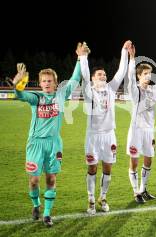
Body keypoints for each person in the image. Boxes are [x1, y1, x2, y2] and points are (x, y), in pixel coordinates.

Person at [12, 43, 85, 227]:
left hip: (54, 143)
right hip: (35, 143)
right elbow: (21, 95)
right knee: (35, 180)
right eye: (43, 81)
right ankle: (36, 204)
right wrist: (17, 85)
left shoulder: (61, 95)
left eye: (49, 81)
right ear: (40, 83)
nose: (46, 84)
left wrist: (79, 58)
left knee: (51, 178)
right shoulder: (36, 98)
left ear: (55, 82)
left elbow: (75, 79)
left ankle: (46, 214)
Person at [80, 40, 130, 214]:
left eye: (104, 74)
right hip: (93, 136)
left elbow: (121, 71)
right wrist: (83, 57)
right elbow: (85, 75)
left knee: (108, 168)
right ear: (94, 78)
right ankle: (91, 199)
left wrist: (124, 51)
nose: (103, 76)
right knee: (92, 168)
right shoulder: (89, 91)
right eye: (100, 74)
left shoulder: (110, 89)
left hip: (109, 135)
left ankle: (103, 197)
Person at [126, 45, 156, 203]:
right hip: (136, 131)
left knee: (149, 160)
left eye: (149, 73)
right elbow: (130, 79)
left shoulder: (152, 91)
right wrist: (132, 59)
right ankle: (135, 192)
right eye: (145, 74)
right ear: (139, 76)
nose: (148, 76)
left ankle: (143, 189)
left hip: (149, 131)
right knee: (134, 161)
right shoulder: (135, 90)